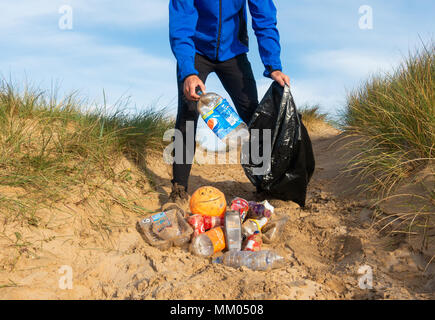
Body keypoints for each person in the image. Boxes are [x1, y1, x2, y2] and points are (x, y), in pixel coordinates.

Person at [168, 0, 290, 208]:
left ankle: (264, 185)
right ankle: (179, 189)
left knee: (254, 116)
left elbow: (264, 18)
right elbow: (181, 23)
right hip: (196, 51)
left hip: (233, 52)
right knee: (188, 114)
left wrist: (273, 65)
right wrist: (188, 71)